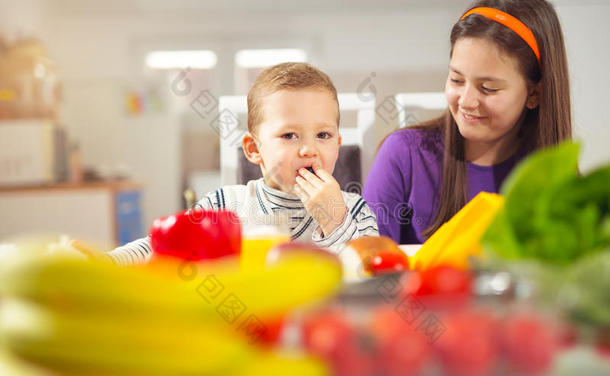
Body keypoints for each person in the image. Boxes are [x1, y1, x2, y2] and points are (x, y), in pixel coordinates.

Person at [105, 62, 378, 265]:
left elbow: (368, 274)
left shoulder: (356, 210)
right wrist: (107, 262)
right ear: (253, 149)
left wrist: (334, 221)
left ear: (337, 144)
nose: (309, 149)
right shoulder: (223, 206)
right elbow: (164, 247)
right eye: (289, 135)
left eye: (323, 135)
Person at [363, 0, 571, 244]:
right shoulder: (404, 154)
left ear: (535, 94)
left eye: (488, 88)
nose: (467, 102)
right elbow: (367, 262)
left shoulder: (554, 177)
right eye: (456, 80)